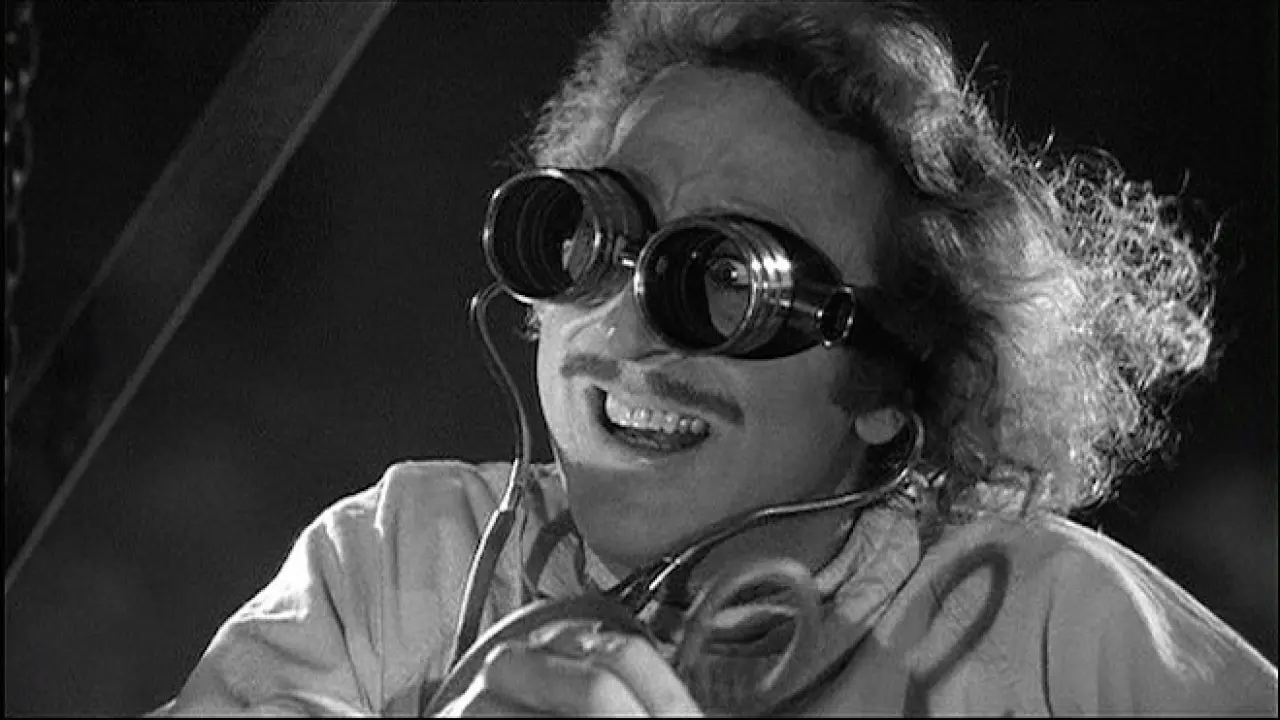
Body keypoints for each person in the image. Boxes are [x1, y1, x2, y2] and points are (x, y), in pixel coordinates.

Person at [152, 0, 1278, 716]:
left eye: (724, 281)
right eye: (592, 239)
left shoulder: (1050, 628)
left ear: (891, 383)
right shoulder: (399, 564)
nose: (629, 328)